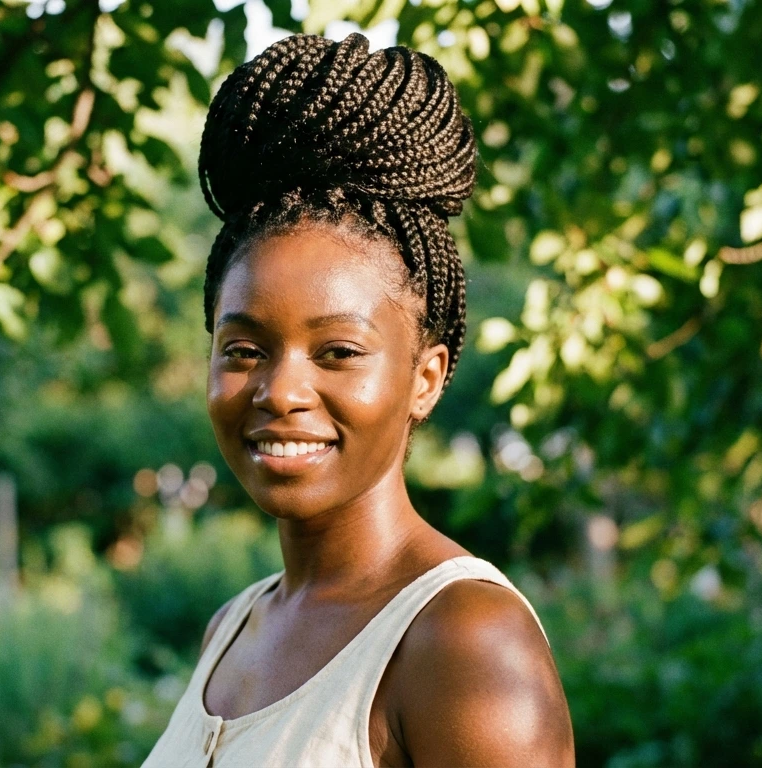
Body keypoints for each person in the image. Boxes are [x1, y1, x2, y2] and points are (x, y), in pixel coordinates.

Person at [142, 32, 575, 768]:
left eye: (338, 352)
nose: (280, 391)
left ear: (427, 378)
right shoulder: (232, 629)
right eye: (243, 350)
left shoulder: (463, 641)